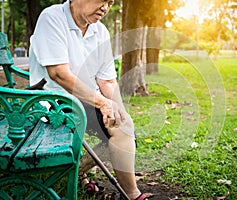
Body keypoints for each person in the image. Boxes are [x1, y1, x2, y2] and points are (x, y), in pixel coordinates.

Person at [29, 0, 148, 199]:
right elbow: (59, 74)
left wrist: (117, 109)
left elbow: (107, 80)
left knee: (123, 126)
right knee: (114, 124)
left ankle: (131, 194)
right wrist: (102, 103)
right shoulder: (52, 17)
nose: (105, 7)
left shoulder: (100, 31)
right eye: (102, 0)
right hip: (52, 103)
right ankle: (76, 173)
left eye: (110, 2)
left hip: (85, 101)